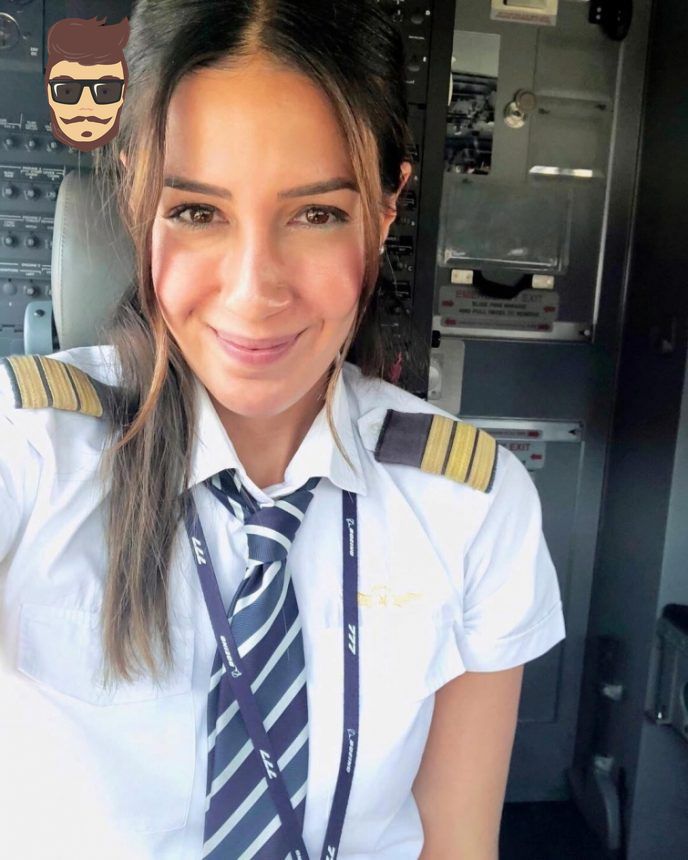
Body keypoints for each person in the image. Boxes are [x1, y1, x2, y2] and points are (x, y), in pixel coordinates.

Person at [0, 2, 566, 858]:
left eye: (316, 214)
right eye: (198, 212)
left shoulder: (472, 502)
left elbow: (457, 844)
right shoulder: (27, 448)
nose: (254, 291)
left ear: (386, 207)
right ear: (139, 199)